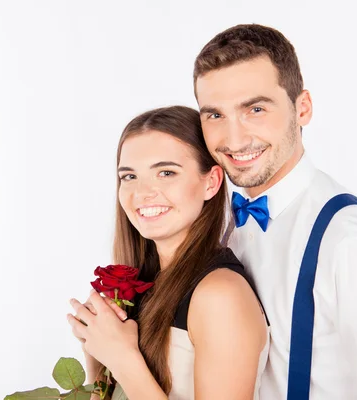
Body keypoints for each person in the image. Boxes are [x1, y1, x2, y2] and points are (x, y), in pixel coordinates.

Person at [193, 24, 357, 399]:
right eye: (214, 115)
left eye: (255, 109)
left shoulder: (356, 245)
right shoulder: (216, 224)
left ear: (302, 108)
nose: (234, 139)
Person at [67, 106, 269, 399]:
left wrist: (123, 357)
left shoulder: (220, 295)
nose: (143, 192)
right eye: (129, 177)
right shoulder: (145, 281)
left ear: (211, 182)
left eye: (166, 172)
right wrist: (95, 348)